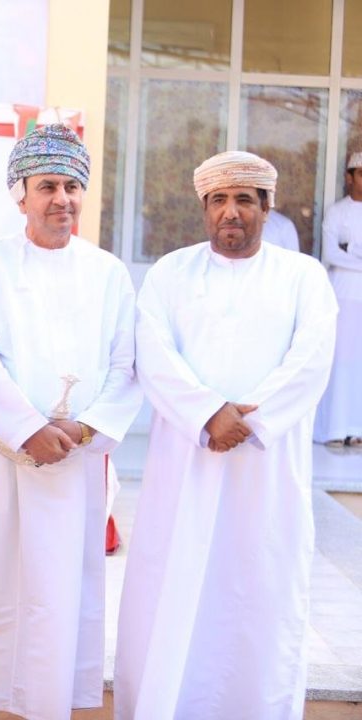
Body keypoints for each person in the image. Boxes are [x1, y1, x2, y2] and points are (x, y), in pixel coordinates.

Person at [0, 124, 142, 720]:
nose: (62, 199)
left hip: (73, 462)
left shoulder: (108, 272)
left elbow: (126, 365)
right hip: (0, 454)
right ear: (19, 195)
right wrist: (28, 428)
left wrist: (84, 429)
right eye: (47, 186)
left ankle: (46, 707)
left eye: (72, 187)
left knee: (57, 593)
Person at [113, 151, 337, 719]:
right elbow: (153, 354)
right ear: (204, 207)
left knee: (259, 594)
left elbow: (311, 359)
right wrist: (208, 414)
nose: (230, 212)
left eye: (243, 199)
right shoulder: (170, 273)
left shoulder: (303, 276)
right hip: (186, 464)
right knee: (175, 588)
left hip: (267, 470)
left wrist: (248, 422)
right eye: (219, 200)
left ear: (267, 205)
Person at [314, 151, 362, 447]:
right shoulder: (337, 212)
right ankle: (333, 428)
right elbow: (331, 254)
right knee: (339, 358)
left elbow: (343, 253)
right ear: (349, 177)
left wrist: (351, 251)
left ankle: (357, 428)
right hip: (342, 292)